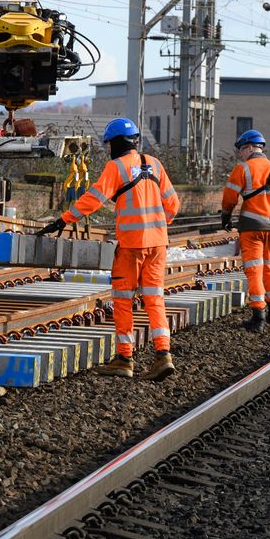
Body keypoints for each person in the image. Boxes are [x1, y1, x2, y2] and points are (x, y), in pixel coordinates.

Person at [38, 118, 180, 380]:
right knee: (155, 298)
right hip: (159, 244)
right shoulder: (155, 165)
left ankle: (125, 359)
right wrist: (157, 226)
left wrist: (64, 220)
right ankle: (163, 355)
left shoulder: (117, 167)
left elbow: (94, 199)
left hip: (131, 247)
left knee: (124, 300)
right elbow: (173, 205)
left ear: (114, 143)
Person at [220, 129, 270, 333]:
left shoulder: (243, 169)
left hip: (251, 228)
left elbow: (230, 196)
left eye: (241, 149)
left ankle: (258, 318)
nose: (239, 154)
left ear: (249, 147)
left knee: (254, 270)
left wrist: (226, 216)